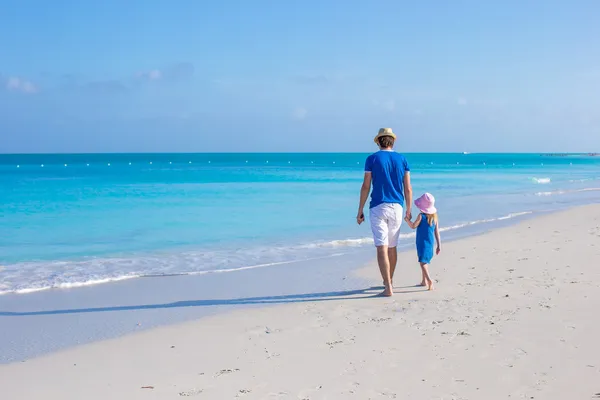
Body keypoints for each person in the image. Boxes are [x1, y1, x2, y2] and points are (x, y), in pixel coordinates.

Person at [357, 128, 412, 297]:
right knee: (392, 247)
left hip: (378, 206)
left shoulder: (372, 159)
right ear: (392, 141)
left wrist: (359, 210)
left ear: (379, 142)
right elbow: (407, 188)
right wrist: (409, 209)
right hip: (397, 207)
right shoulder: (402, 159)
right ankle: (390, 281)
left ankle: (387, 286)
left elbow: (366, 186)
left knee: (382, 247)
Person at [404, 193, 442, 291]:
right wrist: (439, 245)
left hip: (422, 243)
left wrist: (407, 220)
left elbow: (413, 226)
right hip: (430, 242)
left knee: (422, 263)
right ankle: (423, 281)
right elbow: (437, 231)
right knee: (425, 261)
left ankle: (429, 280)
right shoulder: (435, 217)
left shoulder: (421, 216)